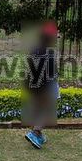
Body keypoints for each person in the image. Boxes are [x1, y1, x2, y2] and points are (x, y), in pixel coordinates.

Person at [24, 21, 59, 149]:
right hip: (45, 86)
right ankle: (35, 132)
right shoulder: (48, 53)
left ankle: (38, 135)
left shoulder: (34, 49)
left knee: (37, 110)